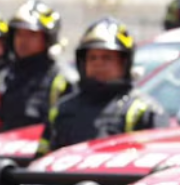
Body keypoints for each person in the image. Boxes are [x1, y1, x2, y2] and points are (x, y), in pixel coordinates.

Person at [36, 18, 164, 156]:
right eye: (92, 58)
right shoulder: (62, 110)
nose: (98, 64)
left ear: (124, 63)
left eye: (106, 57)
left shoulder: (145, 111)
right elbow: (42, 162)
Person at [0, 0, 76, 136]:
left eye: (31, 35)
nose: (23, 41)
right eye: (19, 34)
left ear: (47, 38)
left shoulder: (63, 80)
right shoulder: (1, 80)